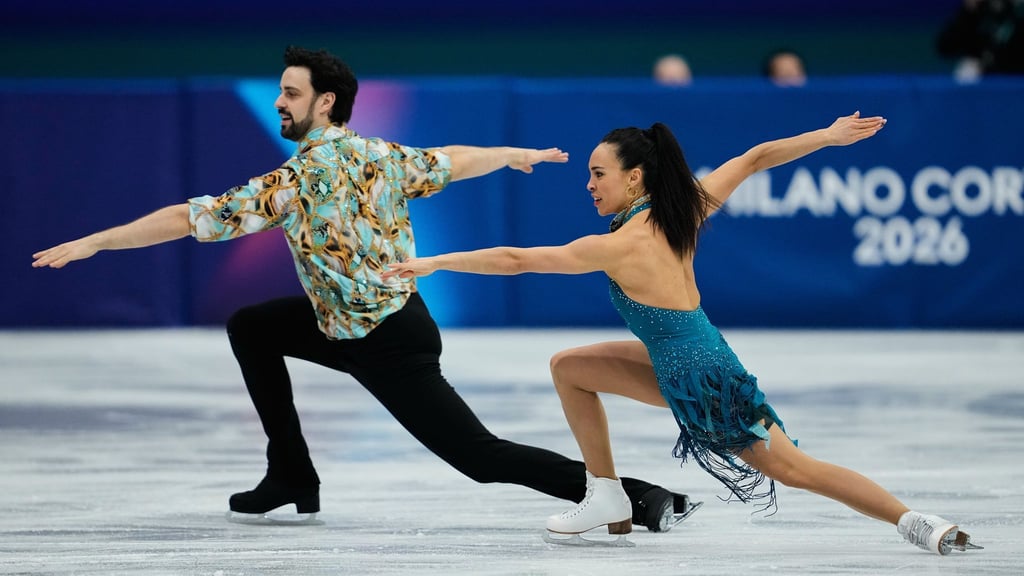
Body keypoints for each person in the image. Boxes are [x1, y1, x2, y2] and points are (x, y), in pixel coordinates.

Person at [30, 45, 696, 532]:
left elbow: (187, 218)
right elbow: (453, 160)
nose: (278, 102)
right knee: (253, 325)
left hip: (386, 344)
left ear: (324, 102)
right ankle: (292, 472)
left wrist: (98, 240)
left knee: (480, 457)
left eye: (290, 93)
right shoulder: (382, 155)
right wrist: (509, 156)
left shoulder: (290, 182)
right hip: (351, 323)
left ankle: (637, 495)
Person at [383, 112, 982, 555]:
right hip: (680, 358)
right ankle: (607, 495)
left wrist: (435, 263)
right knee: (570, 367)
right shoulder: (680, 210)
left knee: (797, 469)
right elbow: (752, 158)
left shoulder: (620, 244)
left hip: (704, 380)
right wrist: (824, 137)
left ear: (635, 176)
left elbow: (517, 259)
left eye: (598, 174)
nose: (588, 185)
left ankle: (919, 524)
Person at [937, 0, 1024, 82]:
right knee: (967, 71)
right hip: (978, 81)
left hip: (1014, 80)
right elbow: (945, 47)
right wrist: (968, 10)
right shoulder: (975, 11)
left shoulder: (1018, 13)